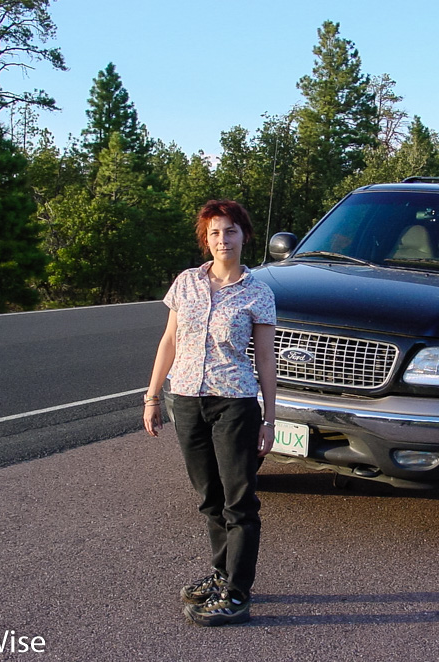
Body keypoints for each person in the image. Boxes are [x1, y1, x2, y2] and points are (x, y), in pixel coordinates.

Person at [143, 199, 277, 627]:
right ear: (207, 238)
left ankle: (237, 592)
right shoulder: (186, 283)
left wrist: (269, 420)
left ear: (245, 236)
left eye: (231, 231)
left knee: (240, 501)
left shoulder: (258, 292)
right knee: (209, 498)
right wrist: (151, 396)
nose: (223, 239)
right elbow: (169, 341)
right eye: (215, 232)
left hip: (234, 404)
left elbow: (266, 360)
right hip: (185, 399)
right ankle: (221, 573)